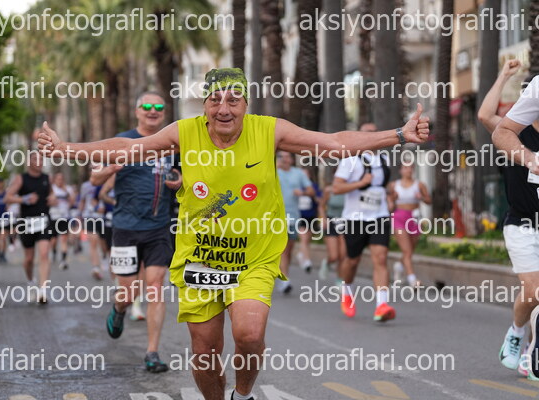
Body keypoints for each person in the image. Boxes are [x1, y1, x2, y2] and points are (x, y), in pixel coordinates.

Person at [37, 68, 429, 400]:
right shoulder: (184, 132)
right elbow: (129, 147)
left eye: (233, 100)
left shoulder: (269, 131)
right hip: (200, 259)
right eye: (215, 100)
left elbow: (335, 143)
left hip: (253, 257)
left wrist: (398, 134)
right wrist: (65, 148)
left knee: (249, 334)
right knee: (205, 351)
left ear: (246, 104)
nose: (224, 108)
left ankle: (242, 394)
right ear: (205, 104)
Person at [90, 91, 181, 373]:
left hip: (158, 227)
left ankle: (152, 352)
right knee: (128, 293)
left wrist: (178, 182)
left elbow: (183, 177)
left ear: (164, 112)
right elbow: (94, 177)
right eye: (147, 106)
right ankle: (119, 309)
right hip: (126, 228)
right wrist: (111, 169)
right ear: (137, 111)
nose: (153, 110)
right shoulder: (123, 141)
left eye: (159, 106)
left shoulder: (172, 145)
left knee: (155, 286)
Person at [481, 59, 539, 378]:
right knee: (534, 290)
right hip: (521, 224)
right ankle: (517, 331)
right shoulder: (515, 132)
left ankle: (531, 350)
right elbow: (484, 116)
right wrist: (503, 76)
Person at [333, 123, 395, 322]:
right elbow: (336, 188)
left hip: (380, 216)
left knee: (381, 258)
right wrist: (361, 183)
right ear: (359, 136)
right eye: (368, 133)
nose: (372, 135)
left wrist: (390, 195)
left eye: (375, 132)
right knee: (352, 261)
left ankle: (381, 305)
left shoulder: (384, 158)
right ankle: (347, 292)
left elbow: (381, 186)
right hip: (355, 219)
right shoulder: (350, 160)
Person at [5, 151, 56, 304]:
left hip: (44, 221)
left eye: (41, 159)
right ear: (29, 162)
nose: (39, 162)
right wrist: (24, 199)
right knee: (29, 259)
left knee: (44, 254)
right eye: (36, 159)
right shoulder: (21, 179)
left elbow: (52, 195)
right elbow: (7, 197)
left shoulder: (47, 178)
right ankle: (30, 282)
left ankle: (43, 290)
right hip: (26, 222)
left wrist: (53, 198)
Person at [387, 163, 431, 288]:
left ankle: (399, 266)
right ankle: (413, 280)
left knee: (410, 250)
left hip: (414, 217)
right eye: (405, 168)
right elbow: (389, 203)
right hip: (399, 218)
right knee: (406, 250)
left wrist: (421, 197)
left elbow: (429, 200)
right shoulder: (394, 185)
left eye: (411, 168)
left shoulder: (419, 185)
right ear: (400, 170)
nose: (409, 170)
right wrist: (392, 201)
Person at [276, 151, 314, 293]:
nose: (284, 159)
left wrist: (302, 192)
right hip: (276, 217)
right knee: (283, 249)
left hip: (293, 216)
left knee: (289, 249)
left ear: (292, 159)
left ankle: (284, 276)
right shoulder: (273, 172)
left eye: (287, 156)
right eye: (281, 156)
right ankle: (285, 280)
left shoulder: (298, 174)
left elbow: (311, 191)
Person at [79, 177, 108, 280]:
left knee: (104, 244)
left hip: (103, 217)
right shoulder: (85, 185)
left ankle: (104, 257)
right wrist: (79, 215)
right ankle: (96, 268)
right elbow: (82, 201)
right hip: (89, 216)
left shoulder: (107, 183)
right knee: (93, 241)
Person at [318, 180, 346, 284]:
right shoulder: (329, 190)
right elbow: (321, 206)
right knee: (334, 256)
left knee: (343, 255)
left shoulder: (350, 190)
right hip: (331, 222)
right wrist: (323, 219)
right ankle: (327, 262)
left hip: (346, 222)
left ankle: (340, 280)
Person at [297, 167, 322, 274]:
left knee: (307, 239)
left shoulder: (313, 187)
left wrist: (312, 195)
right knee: (304, 238)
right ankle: (307, 261)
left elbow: (319, 200)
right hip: (299, 216)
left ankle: (301, 254)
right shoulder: (296, 186)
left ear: (309, 176)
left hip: (311, 216)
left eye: (305, 175)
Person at [49, 172, 75, 270]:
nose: (60, 181)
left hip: (64, 217)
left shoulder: (68, 189)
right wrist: (52, 201)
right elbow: (47, 201)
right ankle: (54, 252)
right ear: (55, 180)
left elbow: (72, 201)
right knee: (53, 240)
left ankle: (63, 260)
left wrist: (66, 193)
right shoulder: (52, 189)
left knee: (64, 238)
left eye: (61, 179)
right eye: (58, 179)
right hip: (53, 216)